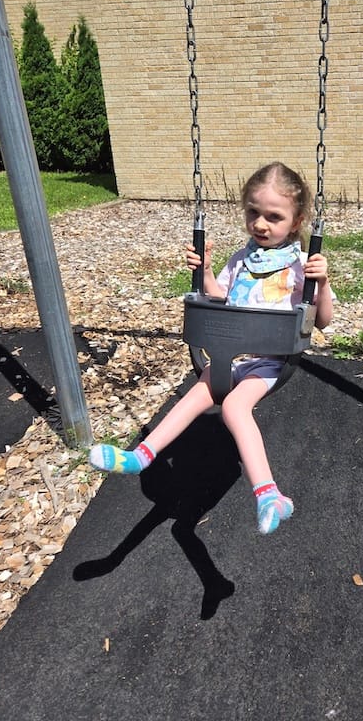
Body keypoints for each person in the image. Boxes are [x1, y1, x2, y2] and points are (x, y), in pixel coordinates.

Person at [89, 162, 334, 534]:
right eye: (253, 213)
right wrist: (204, 272)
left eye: (273, 216)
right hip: (228, 355)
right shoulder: (240, 260)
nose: (261, 224)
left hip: (269, 362)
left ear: (297, 220)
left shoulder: (301, 265)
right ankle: (141, 456)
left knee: (234, 406)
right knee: (194, 396)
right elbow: (221, 299)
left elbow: (322, 320)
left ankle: (270, 494)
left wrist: (323, 282)